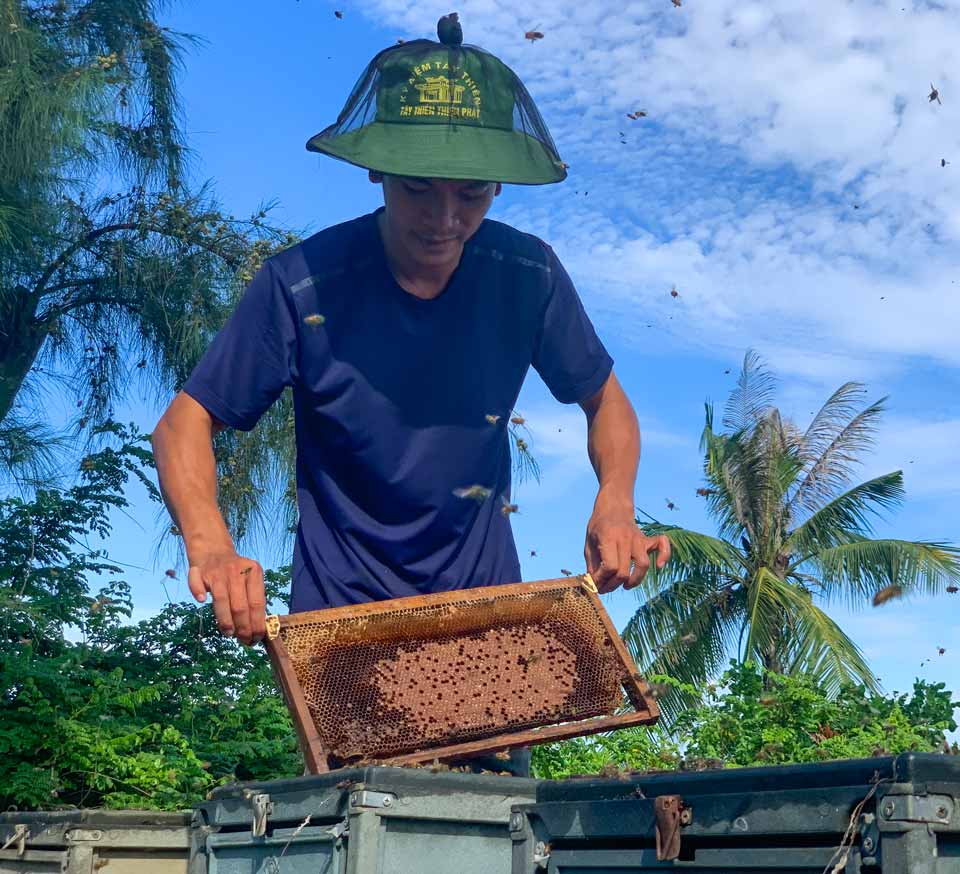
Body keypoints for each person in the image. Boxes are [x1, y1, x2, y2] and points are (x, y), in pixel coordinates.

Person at [149, 18, 670, 777]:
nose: (446, 218)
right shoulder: (300, 285)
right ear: (377, 173)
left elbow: (607, 402)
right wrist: (212, 547)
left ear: (498, 186)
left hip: (489, 626)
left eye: (472, 194)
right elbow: (183, 425)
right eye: (419, 190)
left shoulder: (528, 275)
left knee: (497, 833)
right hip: (345, 631)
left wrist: (615, 499)